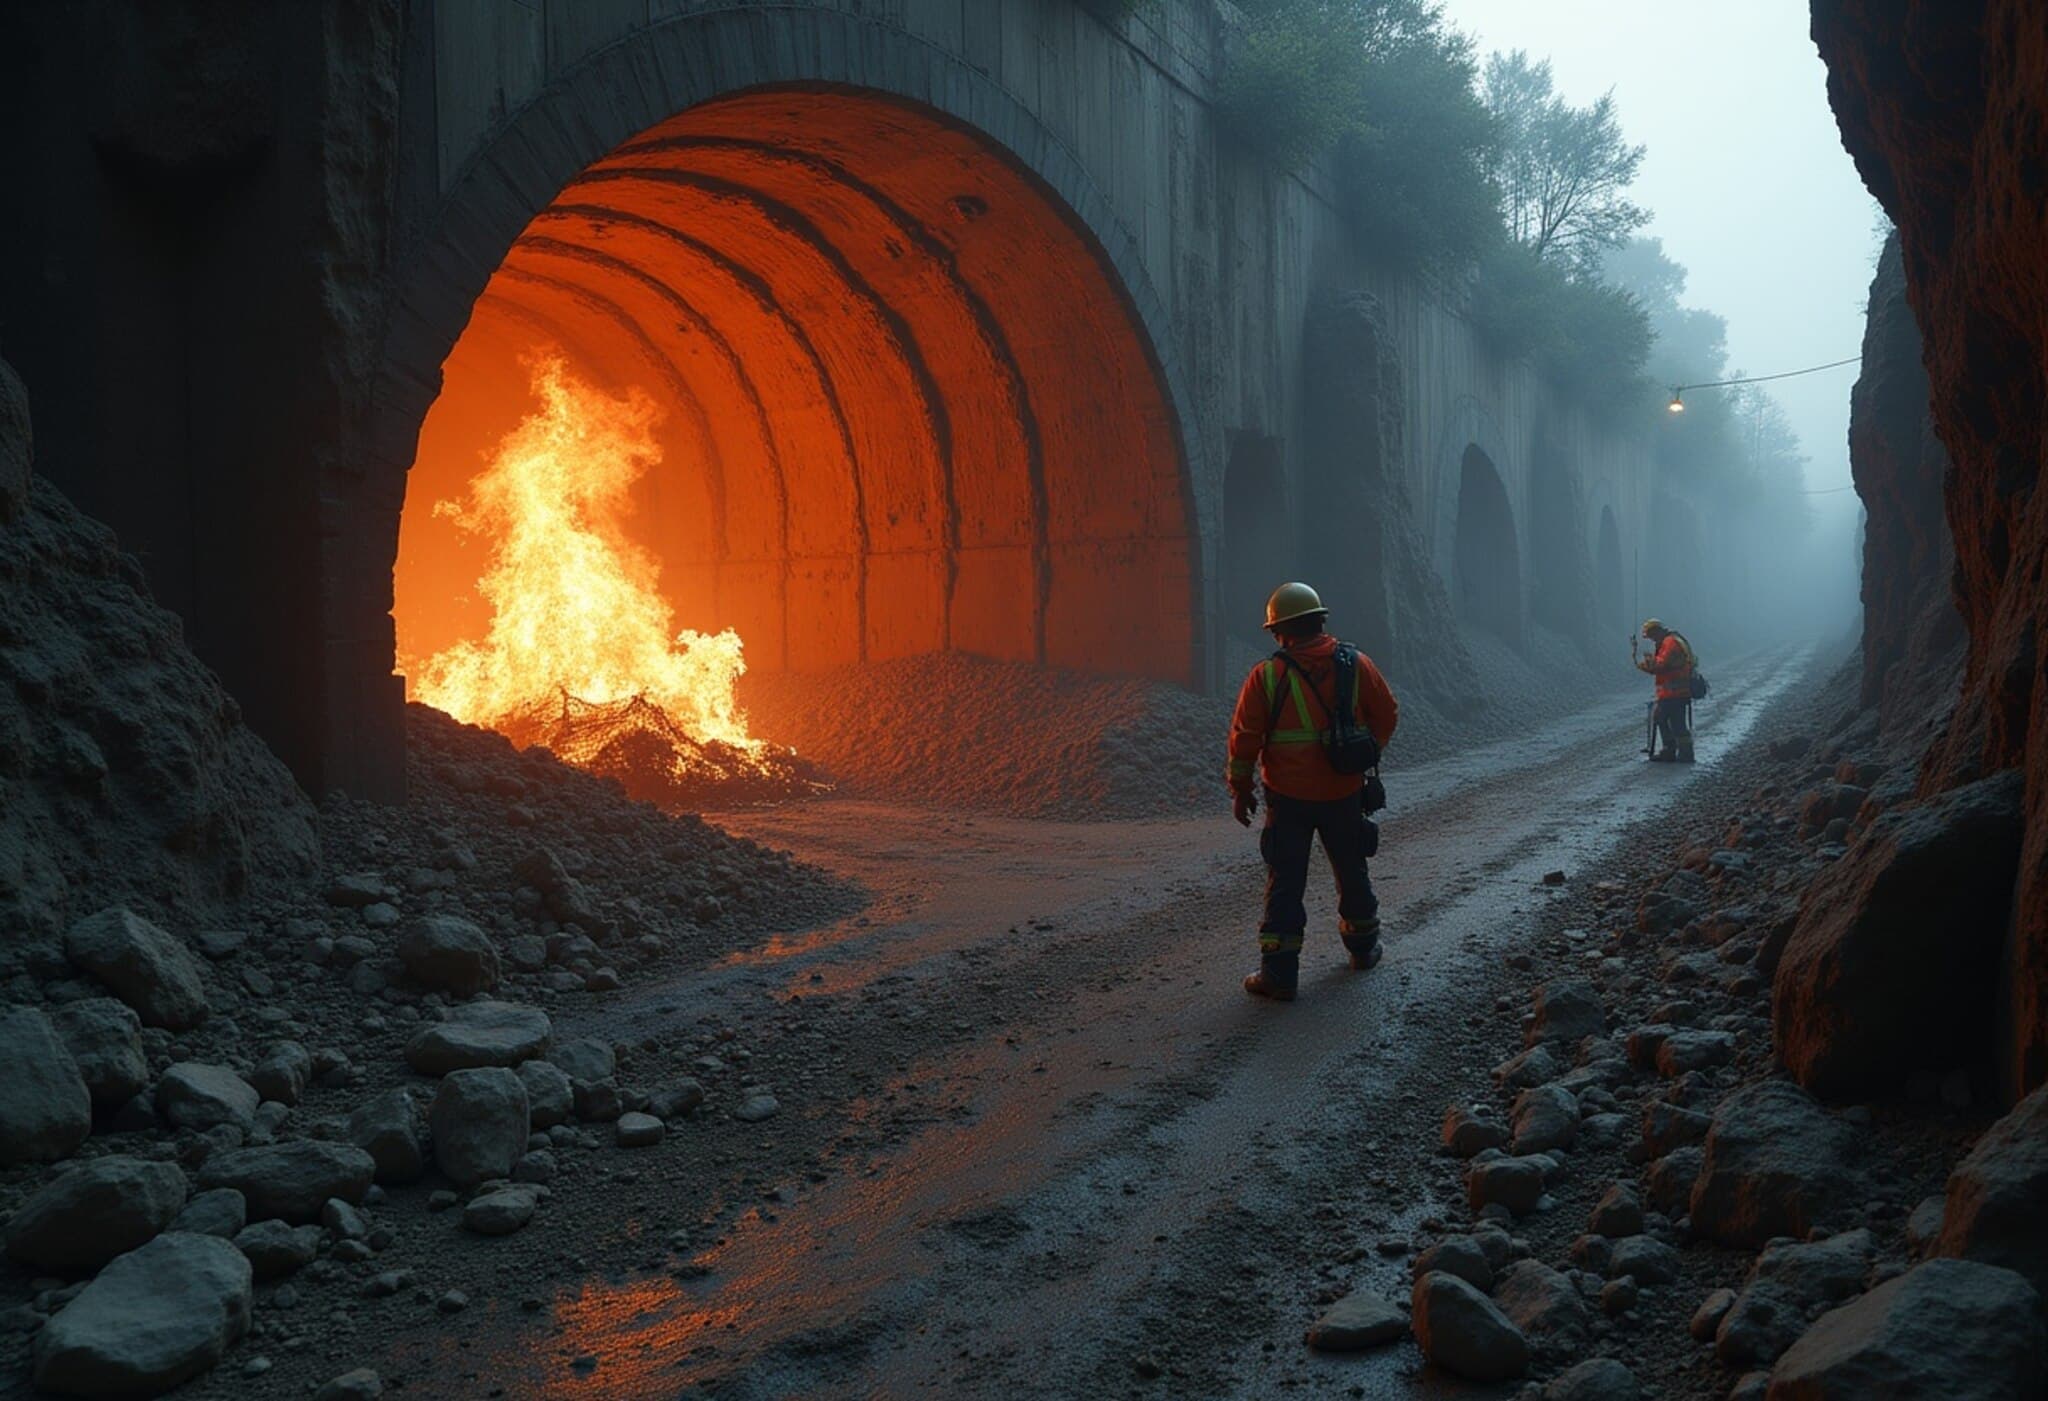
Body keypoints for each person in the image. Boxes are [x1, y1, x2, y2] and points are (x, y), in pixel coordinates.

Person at [1226, 582, 1399, 1001]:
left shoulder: (1266, 677)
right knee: (1352, 871)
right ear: (1321, 621)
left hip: (1288, 799)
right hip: (1343, 792)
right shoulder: (1357, 664)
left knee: (1285, 883)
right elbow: (1387, 714)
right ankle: (1363, 949)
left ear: (1280, 631)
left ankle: (1279, 974)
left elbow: (1245, 739)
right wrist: (1361, 754)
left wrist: (1240, 789)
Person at [1637, 618, 1695, 763]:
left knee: (1675, 723)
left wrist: (1648, 662)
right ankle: (1673, 751)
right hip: (1673, 692)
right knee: (1664, 719)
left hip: (1674, 693)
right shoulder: (1669, 640)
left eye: (1651, 636)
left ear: (1656, 631)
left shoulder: (1669, 643)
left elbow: (1661, 664)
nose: (1651, 639)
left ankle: (1683, 753)